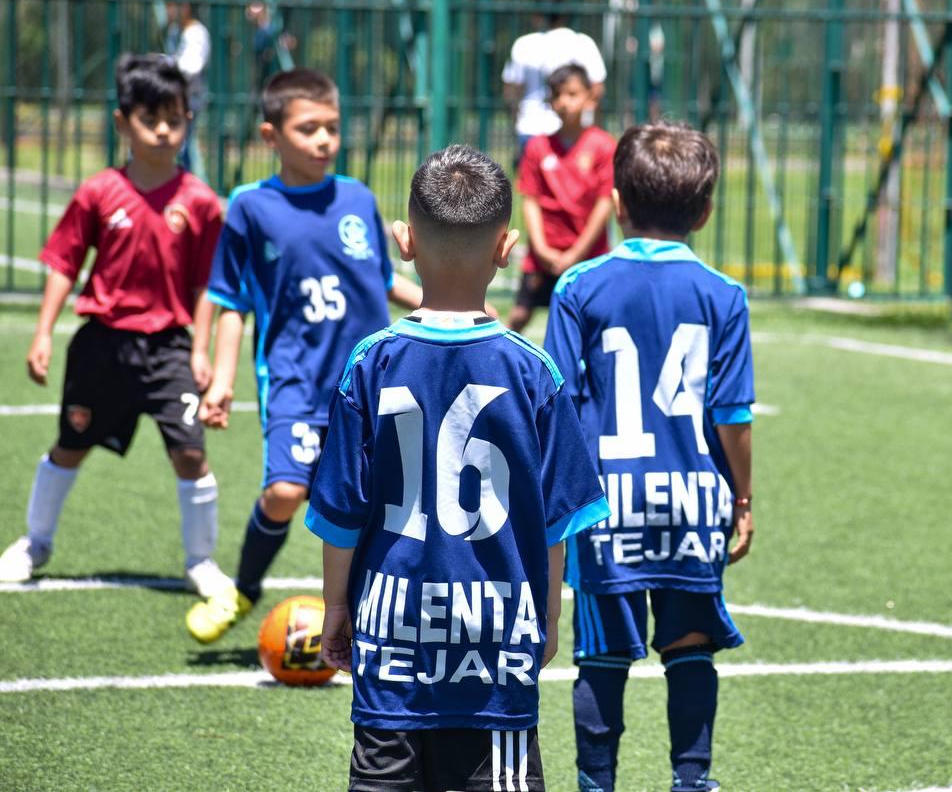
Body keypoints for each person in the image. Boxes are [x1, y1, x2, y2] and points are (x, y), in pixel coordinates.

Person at [309, 145, 611, 792]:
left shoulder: (370, 363)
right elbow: (558, 522)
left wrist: (337, 606)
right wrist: (550, 618)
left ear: (405, 242)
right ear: (507, 249)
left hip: (392, 639)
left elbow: (340, 512)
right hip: (495, 646)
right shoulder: (535, 372)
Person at [542, 122, 756, 792]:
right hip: (691, 499)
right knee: (689, 645)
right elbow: (732, 416)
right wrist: (742, 498)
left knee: (601, 653)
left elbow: (558, 400)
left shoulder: (580, 286)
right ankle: (691, 780)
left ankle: (595, 783)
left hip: (607, 503)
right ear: (706, 210)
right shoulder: (725, 295)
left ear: (619, 202)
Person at [184, 68, 422, 642]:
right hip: (294, 380)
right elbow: (232, 302)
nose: (324, 140)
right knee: (287, 491)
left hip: (370, 383)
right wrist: (220, 378)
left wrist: (460, 308)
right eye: (308, 128)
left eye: (333, 128)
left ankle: (367, 625)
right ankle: (242, 588)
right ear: (271, 136)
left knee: (371, 508)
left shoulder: (357, 197)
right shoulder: (249, 207)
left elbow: (382, 281)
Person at [0, 54, 230, 596]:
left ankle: (201, 562)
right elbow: (63, 264)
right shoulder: (98, 192)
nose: (164, 129)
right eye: (151, 118)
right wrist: (42, 333)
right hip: (101, 346)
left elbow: (207, 286)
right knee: (70, 446)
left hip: (170, 349)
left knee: (191, 453)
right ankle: (36, 541)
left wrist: (200, 349)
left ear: (188, 121)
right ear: (122, 122)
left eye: (175, 117)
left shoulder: (198, 202)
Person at [508, 63, 616, 333]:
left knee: (594, 322)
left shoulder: (603, 146)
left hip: (589, 255)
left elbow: (605, 204)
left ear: (590, 96)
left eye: (572, 94)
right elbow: (530, 199)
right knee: (519, 315)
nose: (564, 102)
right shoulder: (537, 147)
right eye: (557, 96)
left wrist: (576, 254)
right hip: (544, 256)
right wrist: (542, 250)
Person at [502, 0, 607, 166]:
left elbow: (511, 91)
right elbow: (597, 88)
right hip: (574, 130)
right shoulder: (582, 43)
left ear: (536, 14)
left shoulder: (523, 45)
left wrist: (515, 119)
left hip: (531, 126)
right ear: (564, 12)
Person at [165, 1, 211, 173]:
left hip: (190, 98)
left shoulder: (196, 33)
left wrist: (165, 65)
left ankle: (185, 181)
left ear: (185, 8)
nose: (169, 11)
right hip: (173, 95)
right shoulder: (175, 31)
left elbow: (192, 67)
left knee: (183, 145)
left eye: (172, 7)